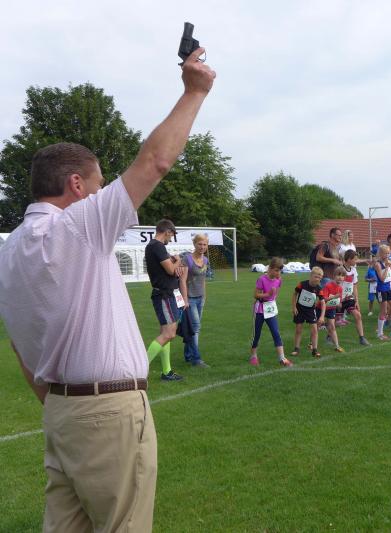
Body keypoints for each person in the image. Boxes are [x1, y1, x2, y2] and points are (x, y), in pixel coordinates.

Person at [0, 46, 214, 532]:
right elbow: (155, 162)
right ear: (77, 185)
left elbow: (19, 345)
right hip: (106, 409)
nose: (103, 195)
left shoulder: (9, 252)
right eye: (98, 186)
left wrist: (61, 403)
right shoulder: (76, 226)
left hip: (60, 411)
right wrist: (195, 91)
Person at [143, 219, 187, 381]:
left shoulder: (154, 246)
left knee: (165, 333)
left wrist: (174, 262)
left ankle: (166, 372)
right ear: (167, 231)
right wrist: (177, 260)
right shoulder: (157, 246)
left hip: (167, 294)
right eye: (171, 235)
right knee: (169, 334)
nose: (171, 239)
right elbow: (170, 270)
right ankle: (139, 369)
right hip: (164, 295)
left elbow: (170, 269)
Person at [250, 258, 292, 367]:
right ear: (270, 268)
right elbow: (256, 295)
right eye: (276, 270)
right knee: (257, 334)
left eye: (280, 271)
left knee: (276, 332)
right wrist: (267, 295)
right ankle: (253, 356)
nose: (278, 273)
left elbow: (275, 294)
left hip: (270, 310)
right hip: (259, 310)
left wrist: (272, 300)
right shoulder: (261, 279)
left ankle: (282, 358)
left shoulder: (279, 280)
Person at [182, 233, 210, 367]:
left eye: (204, 244)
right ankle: (196, 359)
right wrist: (185, 299)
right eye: (200, 244)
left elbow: (203, 279)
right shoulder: (187, 259)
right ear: (194, 244)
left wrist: (204, 295)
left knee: (192, 327)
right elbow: (182, 280)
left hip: (200, 298)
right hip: (189, 298)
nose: (202, 247)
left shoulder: (205, 260)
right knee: (196, 327)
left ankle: (188, 355)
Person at [291, 266, 324, 358]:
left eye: (320, 278)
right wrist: (294, 307)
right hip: (300, 309)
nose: (317, 279)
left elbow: (323, 302)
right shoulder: (302, 284)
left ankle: (315, 350)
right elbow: (295, 294)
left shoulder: (319, 289)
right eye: (316, 277)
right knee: (298, 329)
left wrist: (322, 316)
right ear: (311, 275)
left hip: (310, 310)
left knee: (314, 329)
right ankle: (296, 349)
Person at [340, 250, 371, 346]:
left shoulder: (353, 270)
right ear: (349, 259)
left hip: (349, 298)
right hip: (339, 299)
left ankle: (362, 338)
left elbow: (354, 286)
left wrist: (356, 301)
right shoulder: (340, 270)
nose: (356, 261)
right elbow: (335, 284)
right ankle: (329, 336)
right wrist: (338, 299)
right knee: (336, 321)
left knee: (358, 315)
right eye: (355, 259)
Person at [320, 267, 346, 353]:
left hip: (331, 309)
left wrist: (341, 303)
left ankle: (337, 346)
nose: (340, 277)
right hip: (321, 308)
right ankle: (311, 343)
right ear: (334, 276)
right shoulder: (328, 285)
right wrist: (334, 297)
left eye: (342, 276)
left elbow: (339, 302)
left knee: (332, 326)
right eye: (338, 275)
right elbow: (324, 299)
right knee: (316, 326)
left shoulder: (340, 288)